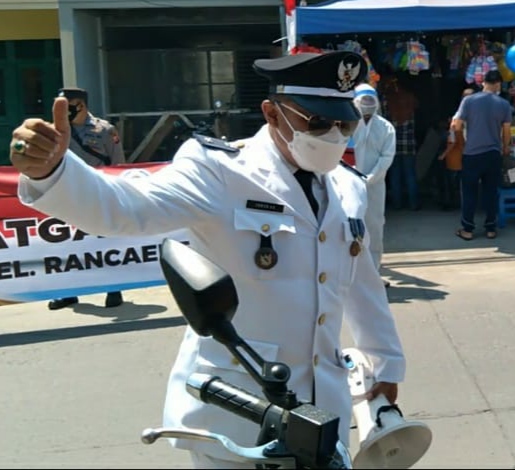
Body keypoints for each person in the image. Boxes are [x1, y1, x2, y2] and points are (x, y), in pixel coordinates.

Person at [10, 51, 406, 469]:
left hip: (324, 408)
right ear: (272, 113)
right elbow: (125, 206)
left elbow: (361, 284)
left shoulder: (348, 187)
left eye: (343, 124)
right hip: (238, 410)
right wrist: (54, 171)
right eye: (318, 123)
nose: (333, 136)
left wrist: (386, 363)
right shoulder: (218, 169)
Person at [48, 86, 126, 310]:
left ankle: (114, 288)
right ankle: (69, 293)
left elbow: (118, 164)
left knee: (105, 243)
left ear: (80, 105)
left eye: (67, 106)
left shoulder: (104, 130)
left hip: (97, 193)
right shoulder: (57, 130)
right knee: (67, 246)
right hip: (66, 193)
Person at [453, 70, 511, 241]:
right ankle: (490, 228)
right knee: (491, 192)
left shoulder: (469, 101)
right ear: (498, 84)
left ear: (483, 82)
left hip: (472, 154)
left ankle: (468, 229)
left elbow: (457, 126)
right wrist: (505, 148)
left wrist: (462, 145)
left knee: (469, 192)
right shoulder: (503, 104)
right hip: (493, 153)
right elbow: (506, 131)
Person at [352, 83, 396, 286]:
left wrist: (369, 179)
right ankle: (352, 274)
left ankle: (373, 274)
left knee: (375, 228)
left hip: (374, 187)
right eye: (364, 100)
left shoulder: (385, 127)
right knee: (349, 229)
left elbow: (387, 157)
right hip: (348, 186)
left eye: (371, 100)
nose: (367, 105)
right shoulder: (348, 124)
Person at [382, 75, 420, 211]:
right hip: (408, 143)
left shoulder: (388, 101)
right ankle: (414, 204)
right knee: (410, 174)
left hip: (392, 144)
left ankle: (397, 204)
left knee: (395, 174)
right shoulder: (410, 99)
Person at [436, 88, 474, 211]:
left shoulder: (458, 118)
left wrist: (443, 155)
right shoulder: (476, 116)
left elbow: (453, 141)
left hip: (457, 156)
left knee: (454, 182)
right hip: (469, 153)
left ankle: (455, 203)